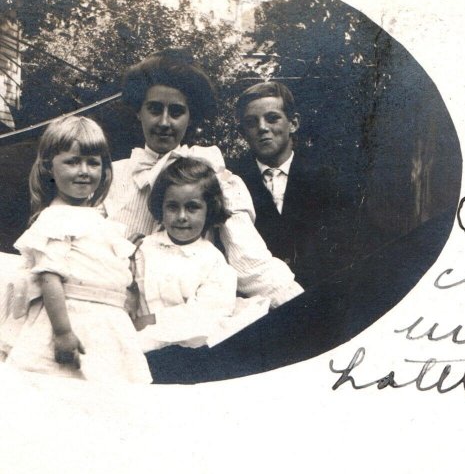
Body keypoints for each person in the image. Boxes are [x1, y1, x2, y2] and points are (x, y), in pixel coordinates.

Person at [104, 51, 302, 307]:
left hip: (188, 315)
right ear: (139, 112)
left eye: (176, 112)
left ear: (190, 116)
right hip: (116, 311)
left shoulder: (211, 172)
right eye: (154, 109)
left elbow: (250, 262)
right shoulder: (109, 176)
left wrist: (300, 303)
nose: (164, 122)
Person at [0, 116, 150, 383]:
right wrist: (62, 332)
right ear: (49, 168)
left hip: (107, 323)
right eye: (72, 162)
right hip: (72, 317)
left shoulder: (99, 220)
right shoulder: (56, 218)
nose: (84, 171)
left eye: (93, 162)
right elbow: (50, 277)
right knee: (64, 392)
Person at [233, 81, 359, 288]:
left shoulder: (327, 178)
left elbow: (347, 247)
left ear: (293, 123)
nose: (262, 128)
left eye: (272, 118)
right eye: (251, 122)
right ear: (243, 132)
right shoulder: (232, 180)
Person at [132, 157, 243, 353]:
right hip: (137, 346)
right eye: (173, 207)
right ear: (161, 207)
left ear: (209, 209)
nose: (182, 216)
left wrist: (155, 320)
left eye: (192, 207)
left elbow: (208, 314)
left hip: (189, 352)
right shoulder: (143, 249)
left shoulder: (213, 262)